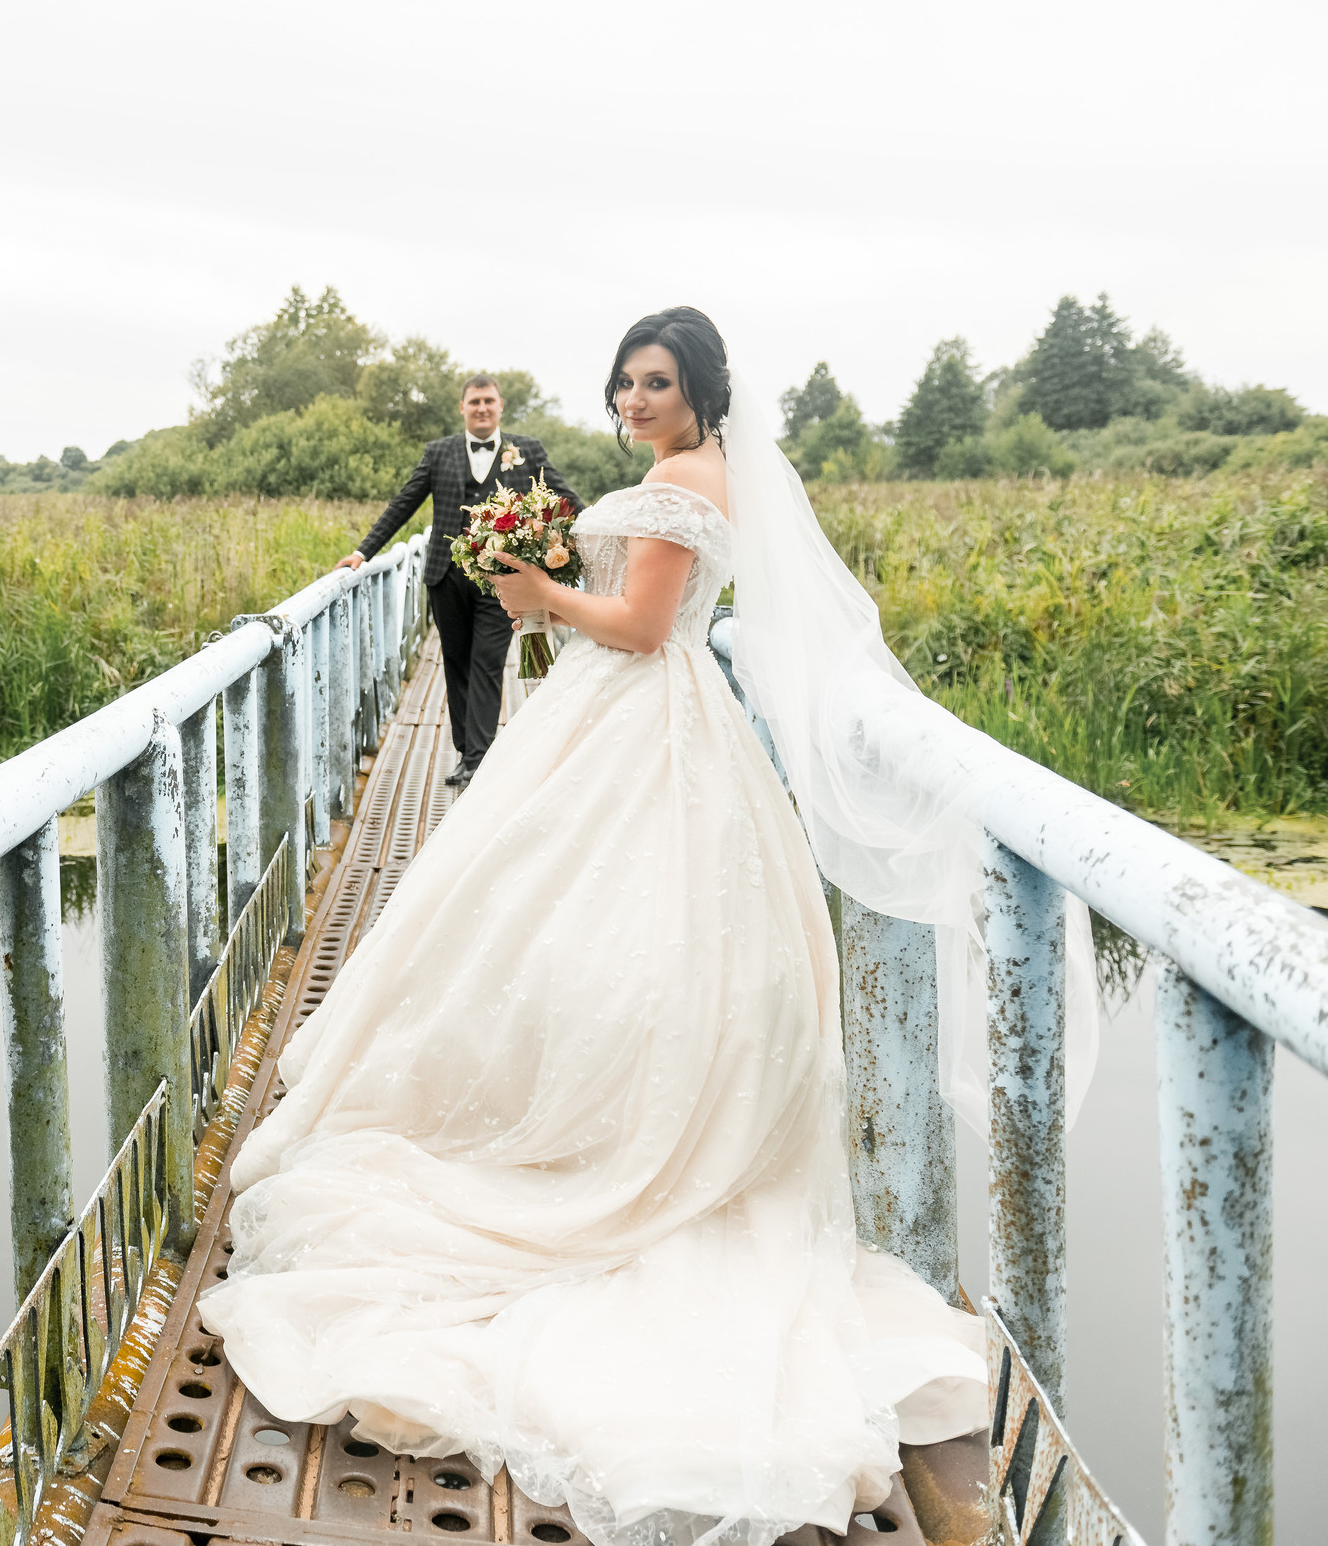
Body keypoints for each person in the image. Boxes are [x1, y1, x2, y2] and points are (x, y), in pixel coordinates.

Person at [199, 309, 986, 1546]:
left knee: (568, 910)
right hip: (632, 717)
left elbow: (646, 627)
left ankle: (597, 1147)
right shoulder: (693, 470)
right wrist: (557, 585)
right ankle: (609, 1116)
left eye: (656, 380)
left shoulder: (682, 482)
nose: (633, 396)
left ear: (700, 389)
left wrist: (539, 592)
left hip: (638, 709)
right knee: (569, 916)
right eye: (624, 378)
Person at [336, 376, 580, 789]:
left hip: (501, 578)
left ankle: (479, 759)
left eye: (489, 401)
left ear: (501, 406)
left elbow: (563, 497)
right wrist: (363, 553)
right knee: (456, 663)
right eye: (474, 402)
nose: (481, 408)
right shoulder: (439, 452)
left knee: (486, 662)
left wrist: (597, 534)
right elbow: (403, 503)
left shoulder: (527, 450)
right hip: (445, 577)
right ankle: (468, 749)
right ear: (462, 408)